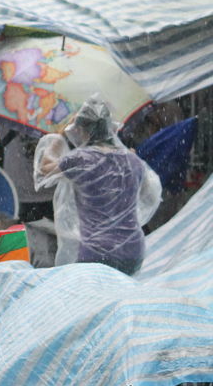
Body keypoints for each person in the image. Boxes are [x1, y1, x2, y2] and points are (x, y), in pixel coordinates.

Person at [35, 94, 160, 275]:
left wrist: (60, 135)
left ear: (81, 130)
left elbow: (45, 167)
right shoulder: (132, 160)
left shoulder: (80, 159)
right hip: (132, 251)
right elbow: (147, 194)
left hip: (96, 253)